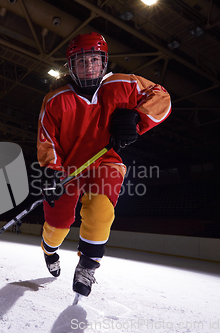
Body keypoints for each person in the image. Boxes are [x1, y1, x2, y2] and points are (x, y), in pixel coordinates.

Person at [37, 32, 171, 297]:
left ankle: (88, 265)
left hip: (105, 161)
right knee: (58, 224)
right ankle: (49, 250)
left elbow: (161, 97)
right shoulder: (55, 100)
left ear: (104, 62)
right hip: (67, 169)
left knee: (101, 210)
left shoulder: (125, 85)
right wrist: (50, 172)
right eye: (81, 61)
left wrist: (137, 117)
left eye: (94, 60)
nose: (89, 66)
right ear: (71, 66)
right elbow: (47, 138)